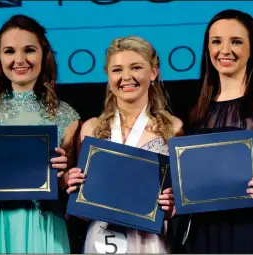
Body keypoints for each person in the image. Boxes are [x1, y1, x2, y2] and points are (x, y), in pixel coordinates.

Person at [174, 9, 253, 254]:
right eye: (216, 41)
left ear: (251, 48)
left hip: (251, 231)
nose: (225, 50)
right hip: (200, 232)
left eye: (236, 41)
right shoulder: (196, 111)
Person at [0, 14, 80, 253]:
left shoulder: (67, 117)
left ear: (44, 55)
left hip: (41, 228)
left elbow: (66, 188)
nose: (19, 59)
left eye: (29, 50)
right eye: (9, 51)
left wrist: (65, 176)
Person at [66, 36, 183, 253]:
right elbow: (82, 210)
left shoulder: (174, 129)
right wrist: (73, 187)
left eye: (136, 67)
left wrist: (174, 203)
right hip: (100, 241)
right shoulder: (91, 129)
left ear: (153, 72)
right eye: (117, 69)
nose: (126, 77)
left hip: (150, 242)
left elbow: (182, 198)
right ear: (108, 76)